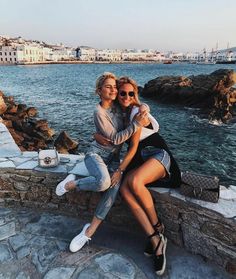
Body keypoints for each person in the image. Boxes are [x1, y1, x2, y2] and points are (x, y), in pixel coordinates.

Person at [96, 76, 181, 276]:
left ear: (136, 95)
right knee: (125, 190)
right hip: (142, 158)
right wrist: (95, 136)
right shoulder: (121, 114)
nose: (126, 96)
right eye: (122, 93)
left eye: (131, 93)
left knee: (132, 181)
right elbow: (112, 136)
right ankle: (154, 238)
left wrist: (119, 170)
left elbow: (133, 147)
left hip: (157, 154)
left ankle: (159, 227)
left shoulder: (136, 112)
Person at [55, 72, 148, 253]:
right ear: (99, 91)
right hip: (95, 154)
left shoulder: (118, 106)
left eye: (115, 87)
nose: (114, 90)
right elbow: (115, 139)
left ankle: (88, 231)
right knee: (104, 182)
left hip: (113, 159)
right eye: (109, 87)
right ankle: (72, 184)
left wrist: (144, 107)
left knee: (112, 192)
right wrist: (136, 125)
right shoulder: (99, 111)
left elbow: (134, 102)